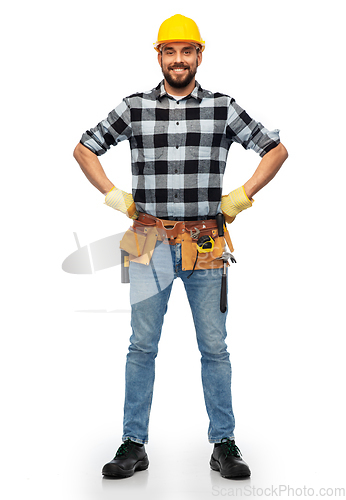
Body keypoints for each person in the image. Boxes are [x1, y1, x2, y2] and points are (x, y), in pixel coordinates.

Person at [73, 14, 288, 480]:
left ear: (199, 55)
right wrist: (115, 197)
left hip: (206, 239)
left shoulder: (222, 107)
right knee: (141, 346)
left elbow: (275, 150)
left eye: (186, 51)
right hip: (147, 236)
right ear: (159, 55)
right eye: (169, 51)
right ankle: (133, 443)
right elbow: (84, 148)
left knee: (214, 346)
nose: (177, 59)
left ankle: (223, 444)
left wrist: (240, 197)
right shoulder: (133, 107)